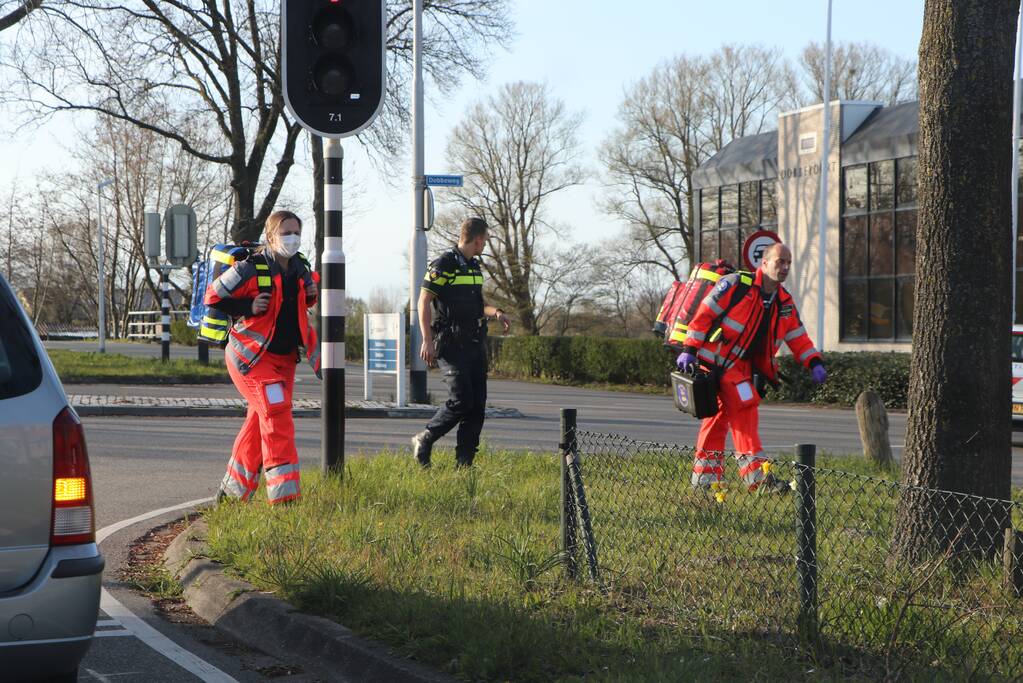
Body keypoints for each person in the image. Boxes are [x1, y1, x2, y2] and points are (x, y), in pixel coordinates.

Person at [677, 243, 826, 493]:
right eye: (780, 261)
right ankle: (758, 480)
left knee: (717, 419)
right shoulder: (736, 285)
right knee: (744, 409)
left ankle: (704, 482)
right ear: (764, 263)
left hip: (739, 367)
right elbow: (703, 315)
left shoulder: (783, 302)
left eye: (788, 263)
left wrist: (814, 361)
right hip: (714, 362)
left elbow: (798, 337)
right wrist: (689, 349)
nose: (785, 267)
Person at [205, 210, 320, 505]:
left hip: (285, 361)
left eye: (296, 232)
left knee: (260, 421)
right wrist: (248, 305)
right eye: (285, 233)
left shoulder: (301, 268)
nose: (292, 238)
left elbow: (302, 305)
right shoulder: (250, 268)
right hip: (252, 359)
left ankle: (231, 495)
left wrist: (311, 294)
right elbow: (213, 296)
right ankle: (285, 500)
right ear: (270, 237)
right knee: (277, 416)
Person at [411, 217, 510, 468]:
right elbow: (423, 301)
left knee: (477, 407)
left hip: (475, 344)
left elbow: (479, 306)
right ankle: (426, 437)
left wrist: (496, 312)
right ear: (478, 239)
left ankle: (464, 465)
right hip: (451, 345)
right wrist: (427, 340)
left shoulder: (475, 267)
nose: (485, 245)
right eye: (485, 240)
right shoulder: (444, 264)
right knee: (462, 400)